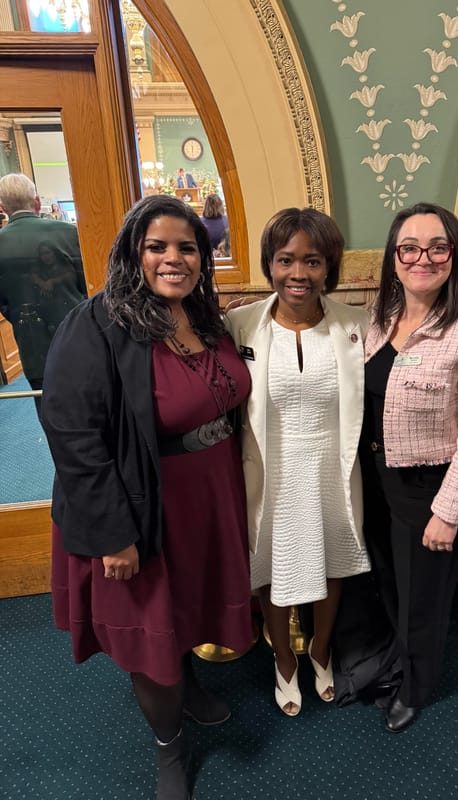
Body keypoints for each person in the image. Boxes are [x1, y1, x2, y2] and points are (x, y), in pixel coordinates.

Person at [40, 195, 253, 800]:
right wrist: (113, 534)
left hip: (207, 493)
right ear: (134, 252)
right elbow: (74, 436)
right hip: (139, 504)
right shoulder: (99, 323)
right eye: (157, 246)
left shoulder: (204, 316)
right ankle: (168, 750)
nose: (173, 258)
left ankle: (187, 689)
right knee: (152, 625)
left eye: (187, 247)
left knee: (188, 607)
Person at [360, 202, 458, 732]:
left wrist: (447, 512)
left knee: (423, 596)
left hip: (430, 487)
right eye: (409, 247)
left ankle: (418, 686)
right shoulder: (380, 319)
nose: (423, 257)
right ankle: (396, 662)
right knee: (390, 584)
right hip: (377, 479)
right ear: (393, 258)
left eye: (437, 247)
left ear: (455, 256)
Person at [227, 207, 371, 717]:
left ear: (328, 267)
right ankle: (284, 657)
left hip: (332, 467)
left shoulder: (357, 325)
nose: (299, 273)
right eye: (286, 260)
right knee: (271, 565)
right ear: (270, 265)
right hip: (270, 471)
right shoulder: (240, 323)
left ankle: (322, 649)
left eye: (312, 261)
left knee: (331, 563)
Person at [0, 173, 85, 417]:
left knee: (48, 407)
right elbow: (89, 286)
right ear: (37, 202)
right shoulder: (69, 233)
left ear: (3, 208)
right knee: (89, 401)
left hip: (31, 341)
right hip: (77, 333)